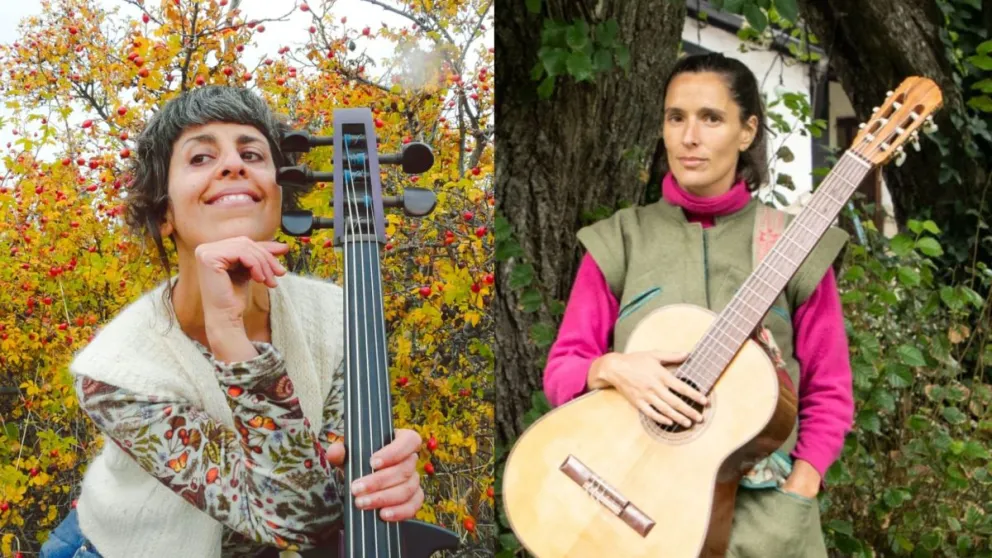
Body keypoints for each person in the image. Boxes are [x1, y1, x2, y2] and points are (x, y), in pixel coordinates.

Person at [40, 86, 424, 558]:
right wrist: (228, 333)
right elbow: (296, 519)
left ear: (280, 196)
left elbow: (325, 502)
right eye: (200, 157)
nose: (232, 165)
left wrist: (383, 478)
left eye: (252, 153)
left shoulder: (339, 316)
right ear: (164, 215)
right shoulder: (117, 370)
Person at [543, 53, 854, 557]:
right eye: (676, 117)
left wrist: (803, 483)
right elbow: (562, 372)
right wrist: (613, 368)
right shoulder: (621, 240)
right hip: (634, 516)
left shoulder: (793, 245)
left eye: (711, 118)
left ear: (747, 131)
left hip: (767, 526)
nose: (690, 137)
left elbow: (830, 388)